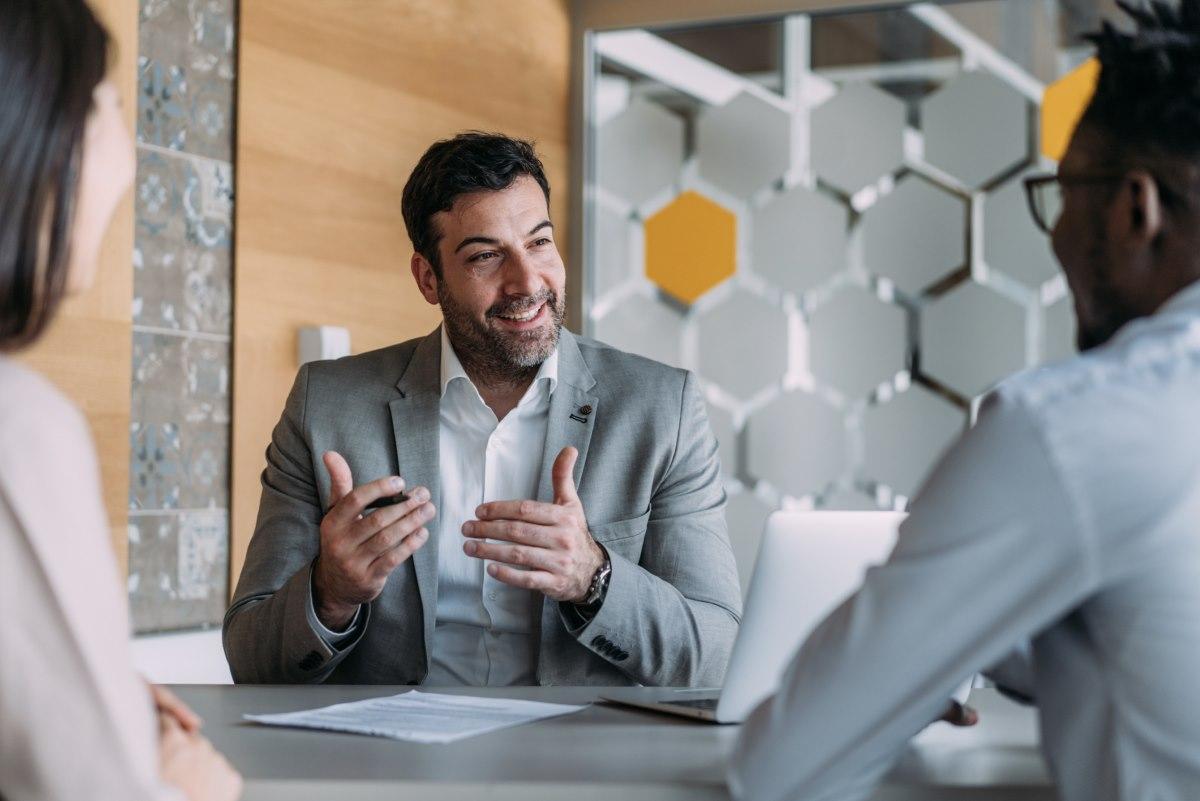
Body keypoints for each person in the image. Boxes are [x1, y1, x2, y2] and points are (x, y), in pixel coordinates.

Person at [730, 2, 1200, 800]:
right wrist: (965, 630)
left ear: (1134, 208)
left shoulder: (1069, 427)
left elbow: (778, 767)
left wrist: (904, 661)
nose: (1054, 235)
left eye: (1064, 192)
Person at [224, 132, 742, 686]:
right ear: (429, 278)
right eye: (486, 257)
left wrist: (594, 576)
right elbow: (251, 659)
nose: (527, 281)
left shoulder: (662, 409)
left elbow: (714, 655)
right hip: (394, 760)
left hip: (576, 758)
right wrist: (330, 594)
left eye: (539, 243)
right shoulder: (326, 406)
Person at [0, 2, 241, 799]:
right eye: (108, 106)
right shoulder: (21, 430)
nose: (131, 160)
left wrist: (89, 690)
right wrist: (188, 786)